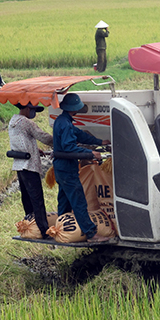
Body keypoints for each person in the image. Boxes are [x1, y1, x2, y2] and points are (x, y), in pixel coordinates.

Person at [53, 93, 111, 243]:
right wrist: (90, 153)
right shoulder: (65, 124)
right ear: (75, 109)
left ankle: (61, 230)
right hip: (67, 168)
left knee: (64, 201)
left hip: (60, 168)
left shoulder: (63, 121)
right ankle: (91, 234)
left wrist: (100, 141)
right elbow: (70, 148)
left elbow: (80, 135)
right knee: (78, 200)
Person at [8, 102, 53, 239]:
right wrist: (61, 142)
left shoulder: (13, 121)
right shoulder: (26, 122)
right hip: (29, 166)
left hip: (19, 165)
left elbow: (21, 140)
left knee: (26, 199)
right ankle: (45, 231)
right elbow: (43, 136)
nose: (34, 113)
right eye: (33, 110)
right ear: (27, 109)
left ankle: (30, 225)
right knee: (37, 200)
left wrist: (34, 148)